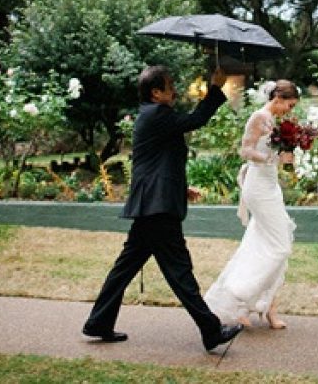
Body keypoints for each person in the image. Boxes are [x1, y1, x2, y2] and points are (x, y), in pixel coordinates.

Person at [82, 65, 244, 352]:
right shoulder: (157, 114)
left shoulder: (152, 115)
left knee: (125, 268)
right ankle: (211, 330)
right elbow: (197, 119)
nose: (175, 90)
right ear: (156, 93)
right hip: (157, 209)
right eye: (170, 86)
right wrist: (215, 86)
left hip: (152, 205)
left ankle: (99, 322)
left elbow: (157, 161)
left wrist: (180, 189)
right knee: (179, 271)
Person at [205, 79, 299, 330]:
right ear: (277, 99)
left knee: (262, 243)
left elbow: (276, 154)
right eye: (288, 105)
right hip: (258, 187)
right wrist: (271, 157)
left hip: (271, 186)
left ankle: (266, 308)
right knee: (280, 247)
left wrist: (287, 156)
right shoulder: (259, 117)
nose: (289, 110)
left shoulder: (276, 121)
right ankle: (242, 299)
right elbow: (245, 151)